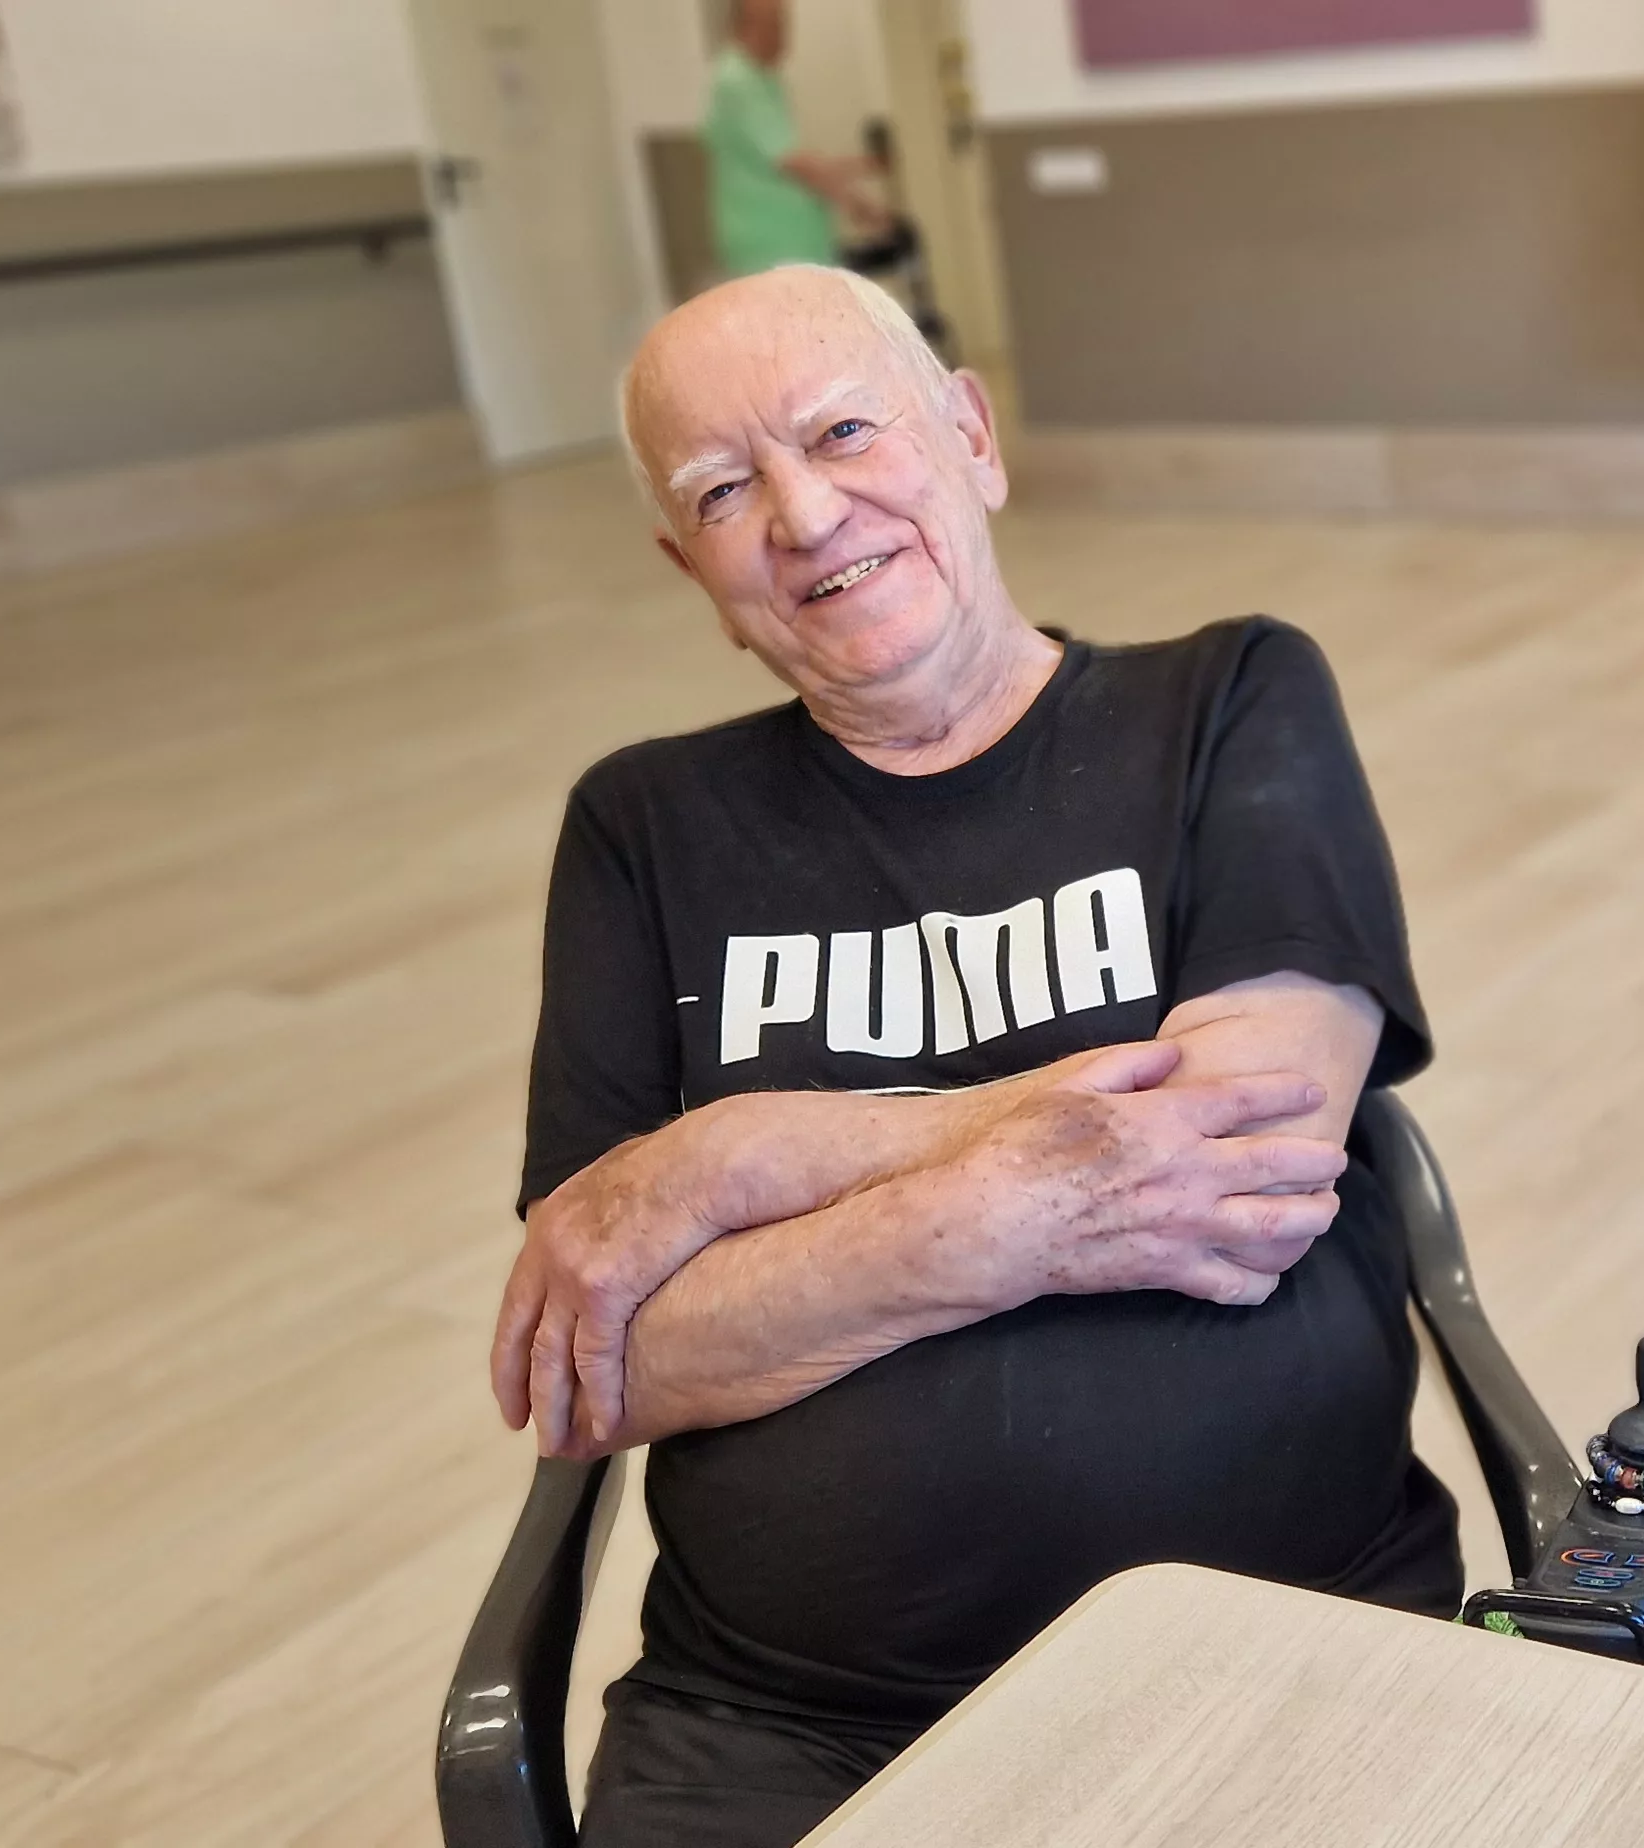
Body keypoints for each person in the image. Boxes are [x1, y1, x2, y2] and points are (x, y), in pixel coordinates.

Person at [489, 264, 1457, 1847]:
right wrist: (1029, 1190)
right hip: (794, 1724)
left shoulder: (1228, 701)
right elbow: (608, 1356)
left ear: (973, 437)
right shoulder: (640, 828)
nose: (804, 516)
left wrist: (740, 1162)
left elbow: (1252, 1153)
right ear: (693, 569)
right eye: (726, 489)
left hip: (1292, 1646)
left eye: (845, 430)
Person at [705, 0, 878, 279]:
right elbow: (794, 162)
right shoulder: (736, 81)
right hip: (768, 247)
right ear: (746, 25)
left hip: (792, 244)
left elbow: (781, 152)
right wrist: (855, 202)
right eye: (776, 26)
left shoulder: (763, 79)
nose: (785, 37)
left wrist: (858, 166)